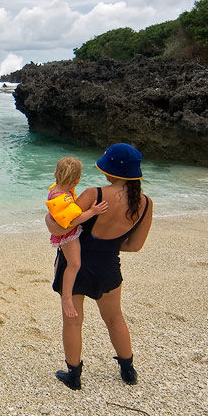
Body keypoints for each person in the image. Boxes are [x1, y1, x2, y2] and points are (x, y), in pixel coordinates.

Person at [47, 143, 153, 390]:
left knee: (72, 321)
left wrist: (47, 221)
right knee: (115, 319)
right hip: (108, 266)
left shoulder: (94, 195)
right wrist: (107, 248)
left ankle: (74, 376)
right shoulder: (145, 204)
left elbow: (61, 226)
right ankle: (128, 371)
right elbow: (135, 246)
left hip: (76, 263)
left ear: (110, 170)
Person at [46, 157, 109, 320]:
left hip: (67, 232)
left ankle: (58, 271)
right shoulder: (61, 196)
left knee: (65, 259)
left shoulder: (58, 189)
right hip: (68, 235)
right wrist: (93, 212)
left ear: (55, 173)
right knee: (74, 264)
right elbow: (72, 221)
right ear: (77, 179)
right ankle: (67, 298)